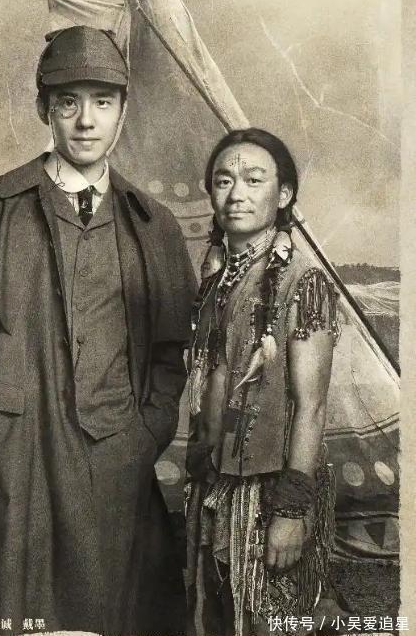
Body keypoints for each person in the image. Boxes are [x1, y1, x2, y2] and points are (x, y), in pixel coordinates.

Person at [0, 25, 197, 636]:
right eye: (67, 102)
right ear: (43, 110)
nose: (86, 120)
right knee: (7, 603)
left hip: (115, 450)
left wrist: (145, 436)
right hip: (15, 448)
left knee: (117, 610)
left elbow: (171, 355)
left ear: (123, 112)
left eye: (103, 102)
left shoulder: (154, 224)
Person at [185, 128, 340, 636]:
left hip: (271, 490)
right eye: (223, 181)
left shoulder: (304, 282)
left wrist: (292, 511)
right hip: (216, 481)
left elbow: (312, 407)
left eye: (254, 180)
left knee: (271, 622)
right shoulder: (217, 279)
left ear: (284, 194)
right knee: (217, 618)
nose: (237, 194)